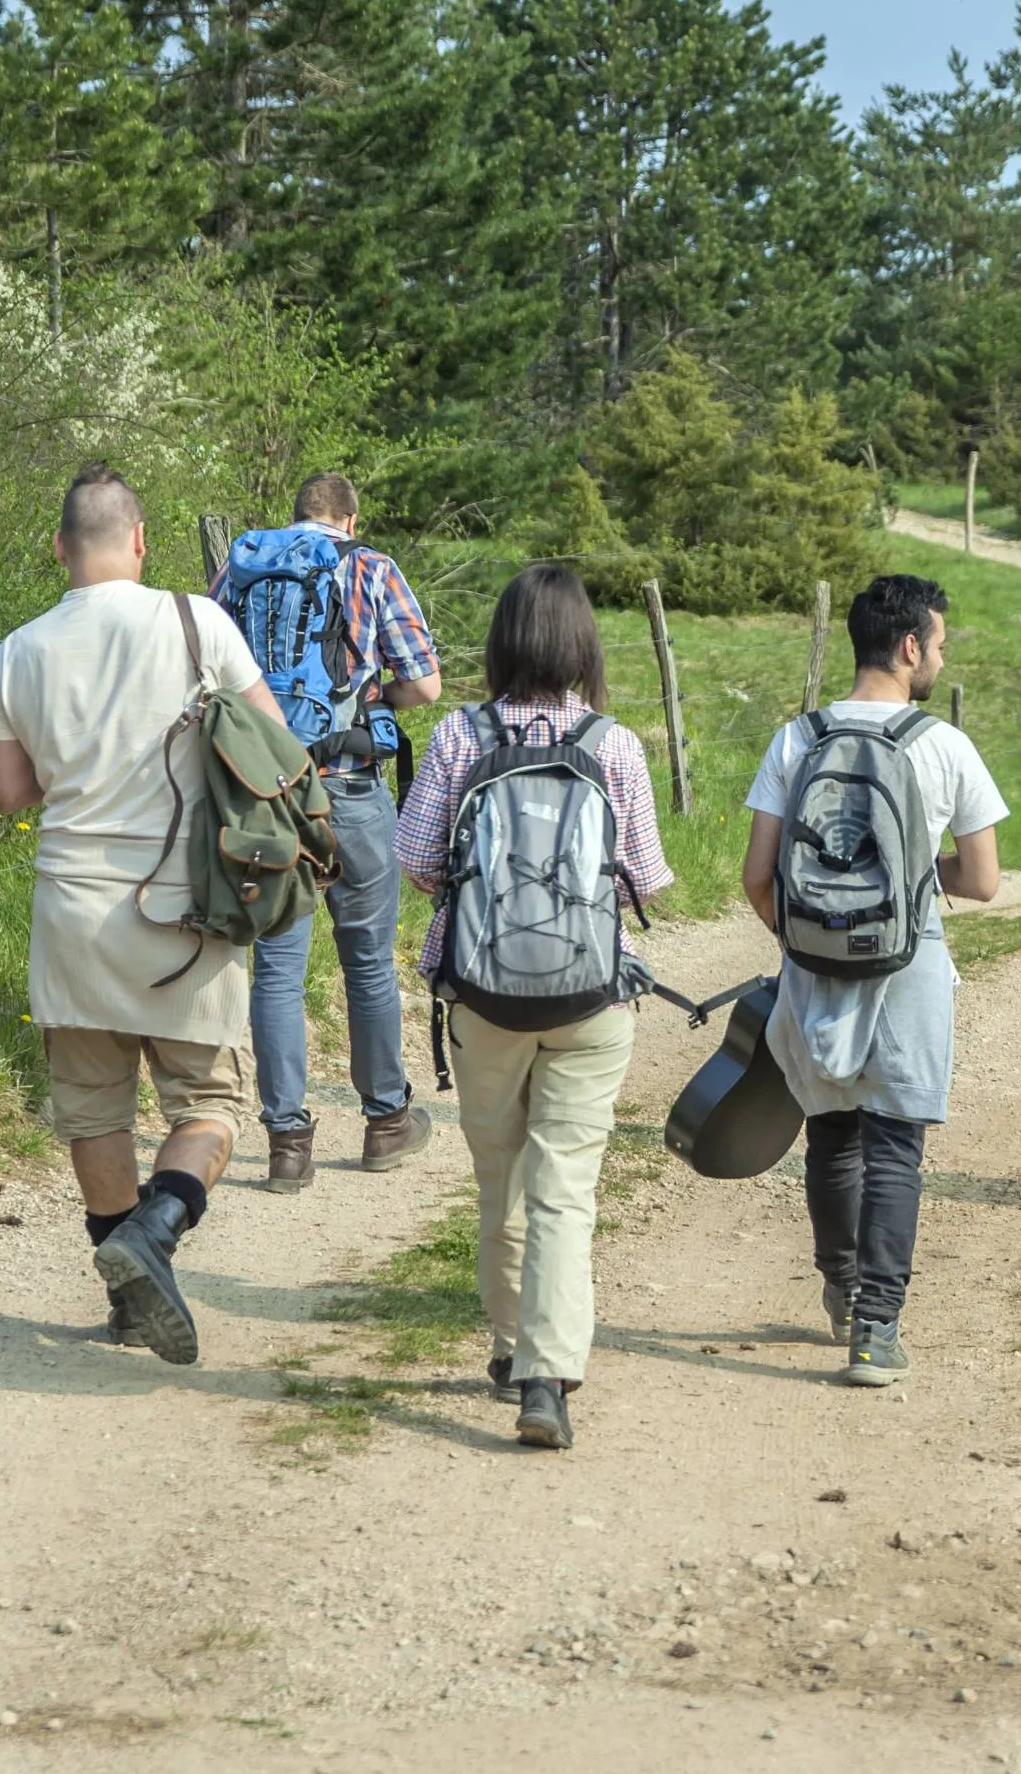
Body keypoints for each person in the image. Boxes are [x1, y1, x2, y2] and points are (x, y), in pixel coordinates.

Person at [0, 463, 282, 1365]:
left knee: (93, 1108)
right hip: (181, 913)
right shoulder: (199, 621)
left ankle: (122, 1288)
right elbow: (273, 749)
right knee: (213, 1100)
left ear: (61, 548)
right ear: (141, 539)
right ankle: (157, 1227)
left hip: (72, 909)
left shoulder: (18, 650)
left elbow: (8, 793)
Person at [395, 563, 675, 1451]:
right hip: (593, 998)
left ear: (504, 638)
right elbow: (650, 880)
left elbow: (420, 862)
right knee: (566, 1189)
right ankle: (546, 1380)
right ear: (583, 642)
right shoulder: (616, 744)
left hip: (481, 998)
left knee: (500, 1182)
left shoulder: (457, 736)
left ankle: (515, 1345)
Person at [741, 571, 1006, 1389]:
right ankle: (876, 1330)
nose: (939, 656)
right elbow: (986, 880)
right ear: (909, 645)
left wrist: (813, 939)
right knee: (897, 1144)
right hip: (909, 960)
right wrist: (912, 880)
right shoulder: (942, 744)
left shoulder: (798, 737)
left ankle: (840, 1283)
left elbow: (757, 876)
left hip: (813, 959)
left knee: (833, 1130)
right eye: (939, 644)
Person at [212, 472, 445, 1192]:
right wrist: (375, 694)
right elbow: (426, 684)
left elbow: (214, 674)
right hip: (349, 785)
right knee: (367, 960)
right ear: (350, 516)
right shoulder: (371, 566)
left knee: (277, 967)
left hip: (269, 791)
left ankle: (287, 1142)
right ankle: (385, 1122)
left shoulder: (242, 566)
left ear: (295, 515)